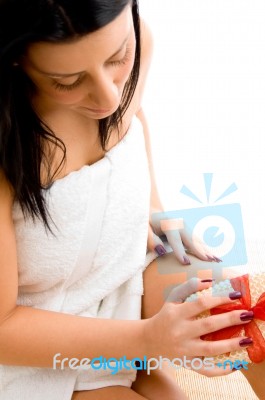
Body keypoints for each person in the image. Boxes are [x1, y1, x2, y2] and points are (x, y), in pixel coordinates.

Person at [0, 1, 263, 399]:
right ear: (17, 61)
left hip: (120, 282)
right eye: (68, 81)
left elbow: (132, 117)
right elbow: (3, 329)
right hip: (37, 348)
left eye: (118, 56)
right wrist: (146, 339)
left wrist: (152, 209)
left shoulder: (139, 41)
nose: (107, 98)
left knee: (237, 314)